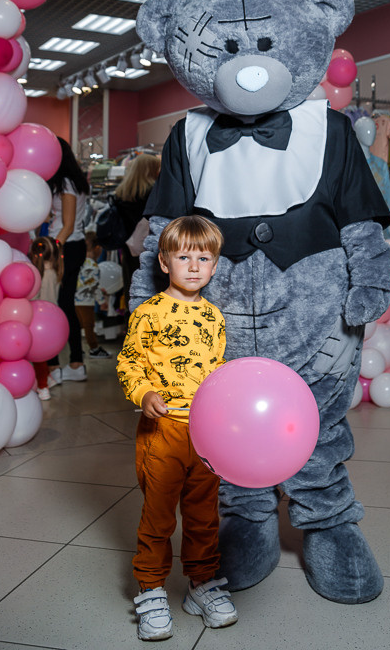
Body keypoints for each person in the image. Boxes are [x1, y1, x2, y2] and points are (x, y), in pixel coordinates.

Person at [116, 215, 238, 641]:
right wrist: (144, 393)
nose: (193, 266)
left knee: (205, 516)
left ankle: (201, 584)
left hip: (206, 436)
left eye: (202, 258)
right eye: (183, 257)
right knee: (158, 517)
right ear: (164, 262)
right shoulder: (148, 313)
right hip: (162, 433)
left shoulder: (215, 318)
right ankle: (150, 589)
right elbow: (129, 361)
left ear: (215, 266)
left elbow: (219, 372)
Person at [46, 137, 90, 383]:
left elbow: (68, 224)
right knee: (63, 304)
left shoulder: (65, 184)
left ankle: (57, 366)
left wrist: (52, 250)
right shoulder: (74, 181)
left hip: (65, 247)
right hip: (70, 246)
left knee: (55, 304)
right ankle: (74, 363)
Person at [113, 152, 161, 304]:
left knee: (131, 287)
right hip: (149, 247)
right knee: (151, 290)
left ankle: (131, 324)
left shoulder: (121, 194)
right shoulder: (154, 193)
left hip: (128, 247)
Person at [28, 235, 62, 400]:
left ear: (35, 255)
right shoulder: (54, 271)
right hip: (51, 321)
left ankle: (43, 387)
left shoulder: (41, 275)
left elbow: (39, 300)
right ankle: (46, 379)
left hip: (39, 320)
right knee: (41, 358)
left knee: (38, 358)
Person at [74, 230, 110, 358]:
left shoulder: (78, 262)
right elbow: (94, 287)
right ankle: (94, 349)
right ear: (97, 248)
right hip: (86, 301)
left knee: (77, 326)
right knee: (89, 326)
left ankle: (77, 350)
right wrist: (102, 301)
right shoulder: (93, 266)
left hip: (75, 300)